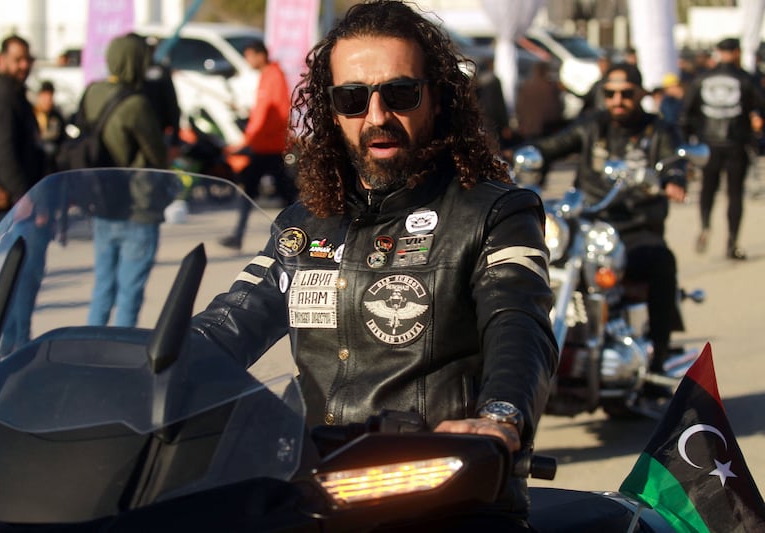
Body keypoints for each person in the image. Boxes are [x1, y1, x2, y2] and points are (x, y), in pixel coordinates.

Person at [192, 1, 557, 527]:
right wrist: (148, 369)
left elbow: (520, 324)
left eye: (400, 93)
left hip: (449, 492)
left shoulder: (496, 212)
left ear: (438, 98)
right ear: (332, 110)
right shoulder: (305, 225)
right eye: (353, 98)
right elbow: (232, 321)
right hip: (317, 492)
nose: (378, 116)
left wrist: (500, 416)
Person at [520, 62, 686, 382]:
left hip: (635, 228)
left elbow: (673, 160)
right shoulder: (591, 125)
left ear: (639, 94)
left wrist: (673, 178)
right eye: (610, 93)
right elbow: (552, 145)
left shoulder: (658, 130)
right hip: (587, 224)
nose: (617, 100)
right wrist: (522, 155)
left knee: (663, 262)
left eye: (625, 93)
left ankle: (659, 359)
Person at [81, 33, 169, 328]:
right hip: (138, 206)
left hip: (103, 200)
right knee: (130, 293)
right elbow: (157, 156)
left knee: (102, 288)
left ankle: (90, 348)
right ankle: (118, 355)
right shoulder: (137, 104)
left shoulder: (92, 92)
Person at [679, 37, 765, 260]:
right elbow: (761, 107)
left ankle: (706, 225)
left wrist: (688, 144)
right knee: (734, 194)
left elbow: (686, 113)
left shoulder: (702, 78)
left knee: (708, 188)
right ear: (736, 52)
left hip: (708, 145)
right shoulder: (745, 79)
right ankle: (732, 241)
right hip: (736, 144)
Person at [218, 39, 293, 250]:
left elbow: (275, 114)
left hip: (269, 147)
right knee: (270, 194)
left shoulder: (274, 77)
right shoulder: (268, 75)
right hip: (264, 145)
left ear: (260, 55)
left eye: (249, 56)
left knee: (284, 197)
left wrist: (251, 138)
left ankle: (298, 236)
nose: (247, 61)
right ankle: (238, 235)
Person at [0, 34, 45, 233]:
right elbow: (3, 154)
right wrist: (23, 197)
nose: (24, 65)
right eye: (17, 60)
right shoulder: (2, 97)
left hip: (16, 201)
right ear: (1, 61)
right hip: (10, 206)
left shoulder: (14, 93)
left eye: (27, 59)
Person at [33, 80, 67, 175]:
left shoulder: (56, 117)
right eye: (45, 97)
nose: (48, 101)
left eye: (50, 97)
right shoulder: (32, 114)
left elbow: (59, 136)